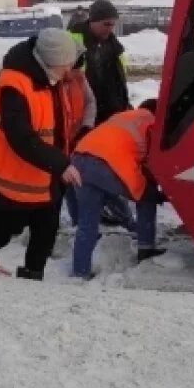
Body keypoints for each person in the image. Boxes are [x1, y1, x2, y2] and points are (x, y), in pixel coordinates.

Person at [0, 27, 84, 281]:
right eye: (65, 66)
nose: (68, 71)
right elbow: (22, 139)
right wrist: (60, 164)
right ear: (50, 62)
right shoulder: (13, 87)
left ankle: (32, 278)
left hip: (44, 179)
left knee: (45, 233)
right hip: (10, 184)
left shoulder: (50, 79)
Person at [65, 98, 168, 279]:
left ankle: (80, 271)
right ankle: (145, 248)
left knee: (88, 222)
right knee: (147, 197)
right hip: (109, 165)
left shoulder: (123, 117)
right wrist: (159, 193)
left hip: (79, 159)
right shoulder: (153, 122)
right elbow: (153, 162)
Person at [68, 0, 131, 124]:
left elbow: (120, 81)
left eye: (112, 24)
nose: (110, 28)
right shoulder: (73, 41)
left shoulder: (114, 46)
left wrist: (124, 104)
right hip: (84, 115)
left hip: (112, 113)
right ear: (93, 21)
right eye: (106, 24)